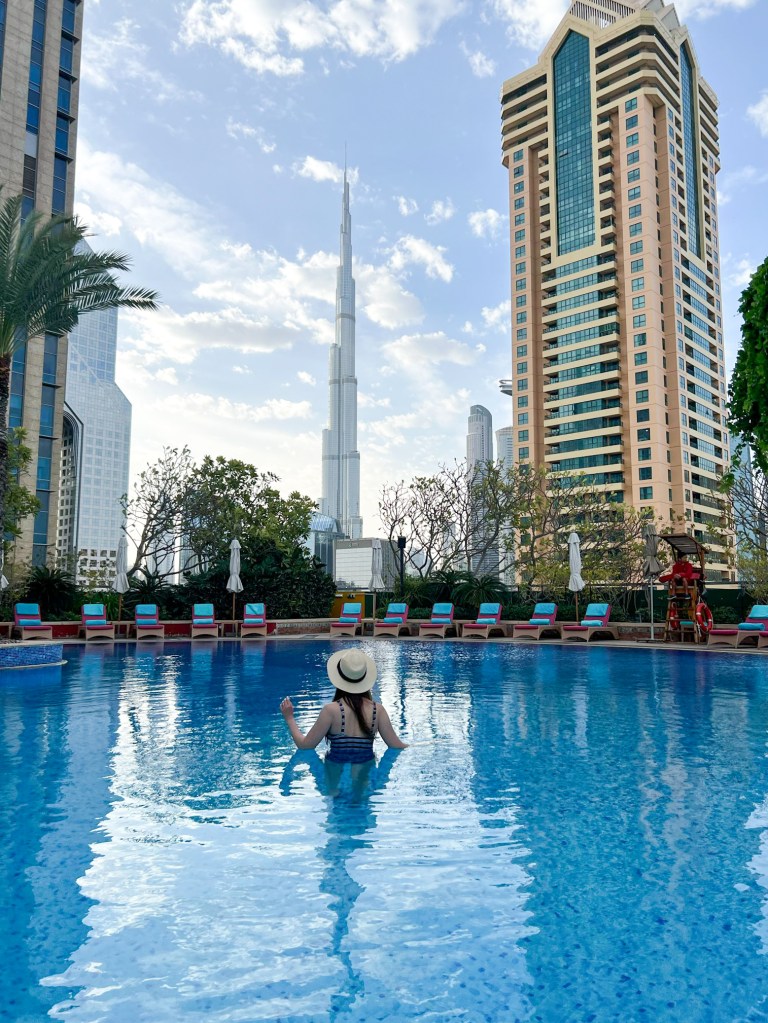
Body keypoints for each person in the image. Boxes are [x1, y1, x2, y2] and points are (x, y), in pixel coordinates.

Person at [280, 648, 408, 762]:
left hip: (333, 785)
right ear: (364, 678)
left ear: (339, 678)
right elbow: (397, 746)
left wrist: (289, 718)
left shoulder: (330, 711)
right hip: (367, 784)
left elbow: (305, 746)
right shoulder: (377, 710)